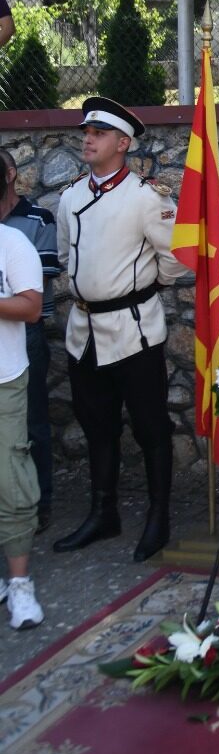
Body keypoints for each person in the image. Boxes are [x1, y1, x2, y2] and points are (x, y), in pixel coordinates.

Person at [54, 97, 186, 562]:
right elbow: (66, 256)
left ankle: (158, 517)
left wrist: (140, 288)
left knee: (151, 427)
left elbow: (175, 260)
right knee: (97, 425)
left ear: (123, 144)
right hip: (83, 330)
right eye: (86, 133)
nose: (88, 140)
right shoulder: (70, 196)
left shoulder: (147, 198)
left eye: (99, 134)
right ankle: (103, 513)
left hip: (133, 331)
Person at [0, 147, 61, 532]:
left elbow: (41, 275)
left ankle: (39, 503)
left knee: (32, 418)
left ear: (10, 175)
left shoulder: (37, 218)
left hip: (27, 332)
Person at [0, 220, 44, 629]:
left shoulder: (11, 243)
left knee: (12, 482)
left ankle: (20, 584)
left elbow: (30, 308)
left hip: (4, 380)